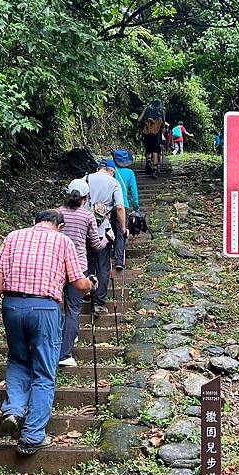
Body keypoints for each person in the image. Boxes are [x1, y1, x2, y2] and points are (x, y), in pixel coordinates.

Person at [0, 210, 97, 455]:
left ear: (34, 221)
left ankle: (13, 410)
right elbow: (78, 283)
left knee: (17, 360)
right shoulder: (62, 240)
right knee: (44, 371)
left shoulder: (13, 237)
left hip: (12, 307)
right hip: (44, 308)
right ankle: (32, 435)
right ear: (60, 225)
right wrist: (91, 284)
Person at [58, 179, 115, 367]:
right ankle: (65, 354)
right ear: (85, 198)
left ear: (67, 194)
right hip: (78, 267)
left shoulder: (56, 213)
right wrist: (107, 238)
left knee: (57, 308)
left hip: (57, 267)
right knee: (73, 309)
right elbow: (96, 247)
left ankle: (61, 341)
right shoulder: (87, 216)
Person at [85, 159, 127, 316]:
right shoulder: (114, 182)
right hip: (103, 230)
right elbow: (121, 207)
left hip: (85, 230)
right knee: (103, 267)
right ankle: (98, 303)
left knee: (88, 262)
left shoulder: (86, 178)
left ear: (98, 168)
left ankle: (87, 289)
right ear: (112, 170)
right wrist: (122, 229)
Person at [111, 149, 139, 271]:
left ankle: (110, 254)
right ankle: (119, 260)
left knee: (110, 230)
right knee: (121, 231)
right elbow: (134, 193)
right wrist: (136, 207)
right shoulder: (130, 173)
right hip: (124, 205)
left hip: (109, 205)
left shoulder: (111, 171)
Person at [138, 99, 165, 178]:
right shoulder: (161, 110)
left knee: (148, 150)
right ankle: (155, 169)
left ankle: (148, 163)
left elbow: (139, 120)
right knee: (155, 151)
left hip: (146, 133)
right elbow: (163, 123)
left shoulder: (147, 109)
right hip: (156, 134)